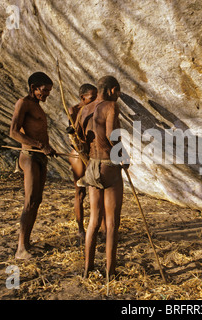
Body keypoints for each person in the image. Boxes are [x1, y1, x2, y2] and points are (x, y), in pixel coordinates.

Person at [78, 76, 127, 279]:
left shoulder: (85, 109)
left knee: (94, 221)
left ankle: (87, 269)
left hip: (91, 166)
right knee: (112, 223)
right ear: (113, 90)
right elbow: (110, 135)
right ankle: (110, 271)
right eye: (118, 93)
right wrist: (123, 155)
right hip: (108, 166)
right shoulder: (111, 106)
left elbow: (80, 141)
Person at [10, 72, 57, 260]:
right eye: (44, 91)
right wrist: (40, 146)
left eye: (49, 92)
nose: (46, 95)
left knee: (37, 201)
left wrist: (47, 148)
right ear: (33, 88)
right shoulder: (23, 103)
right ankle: (20, 249)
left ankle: (27, 243)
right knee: (29, 202)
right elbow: (13, 132)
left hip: (40, 157)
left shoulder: (36, 106)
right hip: (29, 156)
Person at [67, 84, 97, 242]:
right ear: (82, 98)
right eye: (91, 98)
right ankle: (80, 229)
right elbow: (75, 136)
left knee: (97, 191)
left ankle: (98, 226)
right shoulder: (74, 110)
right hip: (79, 155)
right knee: (80, 192)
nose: (95, 100)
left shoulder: (94, 108)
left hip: (92, 154)